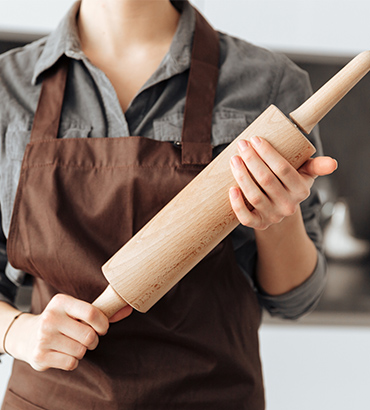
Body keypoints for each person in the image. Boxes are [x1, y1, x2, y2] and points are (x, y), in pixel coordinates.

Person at [0, 0, 337, 409]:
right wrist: (17, 330)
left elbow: (295, 299)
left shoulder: (269, 82)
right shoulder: (8, 86)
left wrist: (276, 218)